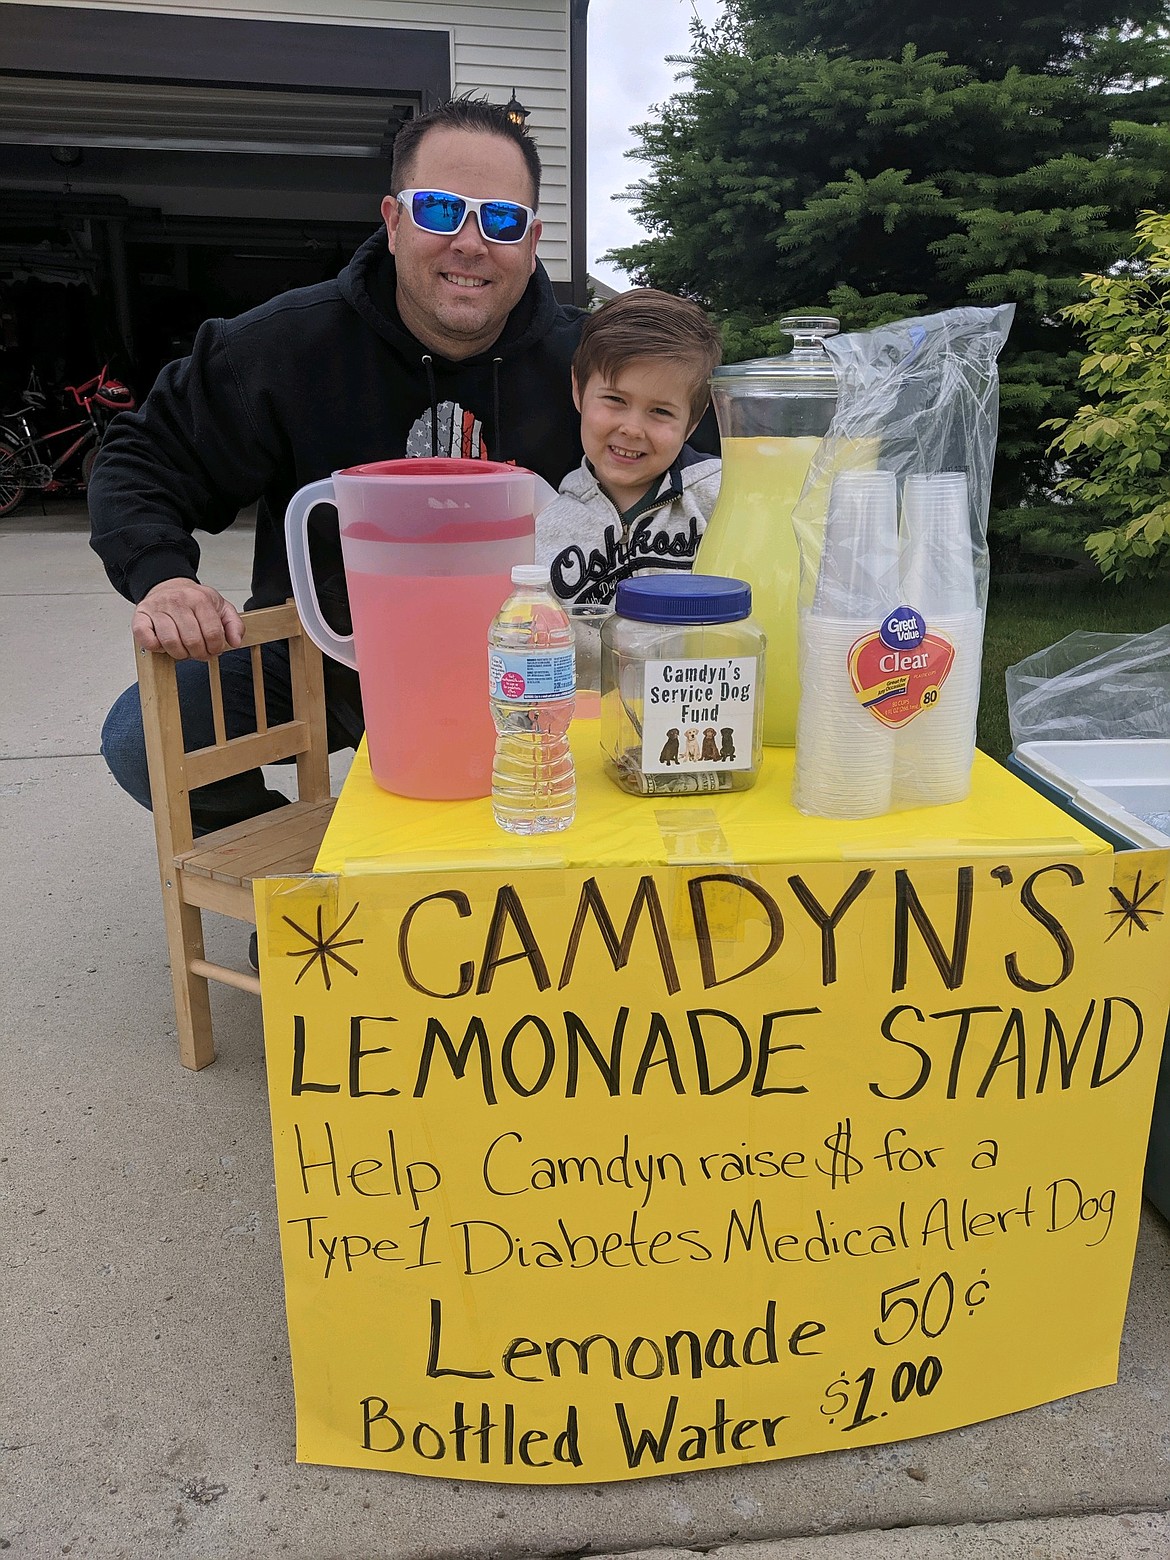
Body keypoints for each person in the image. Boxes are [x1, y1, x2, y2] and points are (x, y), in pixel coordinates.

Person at [90, 94, 586, 839]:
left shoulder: (592, 366)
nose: (471, 242)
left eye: (503, 221)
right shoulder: (283, 346)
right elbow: (141, 457)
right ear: (391, 221)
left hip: (531, 655)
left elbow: (691, 466)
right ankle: (315, 885)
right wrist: (164, 576)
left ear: (533, 239)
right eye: (441, 211)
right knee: (143, 739)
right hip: (327, 653)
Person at [534, 288, 723, 685]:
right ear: (578, 390)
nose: (632, 428)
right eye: (615, 399)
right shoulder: (545, 521)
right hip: (582, 722)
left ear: (693, 421)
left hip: (698, 715)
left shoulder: (723, 499)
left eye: (660, 411)